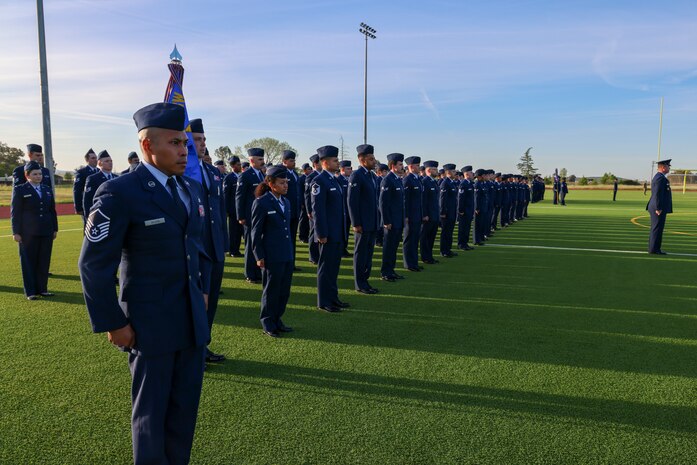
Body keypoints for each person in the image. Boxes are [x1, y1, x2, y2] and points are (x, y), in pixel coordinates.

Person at [78, 102, 209, 465]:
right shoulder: (121, 192)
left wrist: (202, 292)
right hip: (148, 324)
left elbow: (193, 248)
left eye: (185, 143)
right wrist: (112, 322)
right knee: (151, 416)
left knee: (183, 414)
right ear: (148, 146)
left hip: (190, 318)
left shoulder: (189, 189)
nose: (185, 150)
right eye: (175, 143)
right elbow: (93, 265)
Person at [190, 118, 228, 364]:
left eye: (204, 140)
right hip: (196, 246)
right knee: (195, 303)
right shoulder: (183, 172)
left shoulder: (213, 172)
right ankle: (192, 353)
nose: (202, 144)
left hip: (214, 247)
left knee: (210, 301)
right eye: (197, 140)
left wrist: (223, 244)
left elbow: (220, 210)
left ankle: (204, 346)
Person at [251, 165, 295, 337]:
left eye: (286, 182)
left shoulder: (286, 202)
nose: (286, 186)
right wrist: (259, 255)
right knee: (271, 290)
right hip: (271, 254)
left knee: (284, 290)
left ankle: (278, 319)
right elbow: (255, 231)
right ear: (270, 183)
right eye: (282, 183)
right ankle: (268, 322)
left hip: (286, 253)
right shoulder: (261, 202)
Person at [11, 161, 58, 300]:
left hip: (46, 231)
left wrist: (55, 228)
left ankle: (42, 289)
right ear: (27, 175)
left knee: (44, 261)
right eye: (35, 174)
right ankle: (31, 292)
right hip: (27, 233)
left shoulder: (47, 189)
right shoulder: (20, 190)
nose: (38, 176)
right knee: (28, 262)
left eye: (40, 174)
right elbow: (15, 213)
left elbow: (52, 211)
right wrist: (16, 232)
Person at [310, 145, 349, 312]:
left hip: (337, 232)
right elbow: (317, 210)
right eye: (335, 160)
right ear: (324, 162)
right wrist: (321, 233)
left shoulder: (334, 179)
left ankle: (333, 298)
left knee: (334, 268)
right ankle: (324, 301)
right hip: (327, 234)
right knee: (325, 268)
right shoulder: (319, 181)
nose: (337, 162)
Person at [347, 144, 379, 294]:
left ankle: (365, 281)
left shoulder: (371, 175)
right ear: (362, 160)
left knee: (368, 254)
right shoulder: (356, 175)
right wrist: (356, 223)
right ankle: (360, 284)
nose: (374, 161)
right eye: (371, 159)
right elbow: (352, 201)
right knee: (360, 254)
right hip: (362, 223)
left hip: (372, 222)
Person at [236, 148, 265, 283]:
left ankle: (258, 271)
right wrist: (240, 216)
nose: (262, 161)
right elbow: (239, 197)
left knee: (259, 243)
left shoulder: (262, 175)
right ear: (251, 160)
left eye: (262, 159)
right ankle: (250, 274)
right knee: (250, 244)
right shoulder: (245, 175)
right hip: (249, 216)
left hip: (261, 215)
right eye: (259, 159)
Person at [379, 153, 406, 280]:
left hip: (398, 220)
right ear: (393, 166)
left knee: (394, 247)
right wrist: (386, 220)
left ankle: (391, 270)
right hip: (390, 221)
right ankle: (386, 272)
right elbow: (383, 203)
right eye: (400, 164)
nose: (402, 166)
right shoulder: (387, 180)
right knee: (388, 248)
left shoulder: (397, 179)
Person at [402, 156, 424, 272]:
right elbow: (405, 200)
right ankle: (408, 263)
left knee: (415, 240)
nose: (419, 167)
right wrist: (405, 216)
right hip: (410, 216)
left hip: (417, 215)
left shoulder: (417, 179)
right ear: (410, 166)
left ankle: (414, 262)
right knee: (409, 240)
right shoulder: (407, 180)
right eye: (417, 165)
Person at [281, 150, 302, 270]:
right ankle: (285, 263)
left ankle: (291, 263)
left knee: (292, 239)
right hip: (285, 211)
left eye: (294, 160)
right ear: (284, 161)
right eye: (291, 160)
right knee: (285, 239)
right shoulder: (282, 173)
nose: (293, 162)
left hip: (294, 211)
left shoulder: (294, 173)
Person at [647, 159, 673, 255]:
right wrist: (658, 208)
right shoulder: (660, 178)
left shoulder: (661, 177)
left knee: (658, 228)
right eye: (668, 166)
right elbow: (657, 194)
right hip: (657, 208)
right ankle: (654, 249)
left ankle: (655, 248)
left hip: (658, 207)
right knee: (657, 228)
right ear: (663, 167)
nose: (669, 168)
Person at [83, 150, 117, 215]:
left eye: (111, 161)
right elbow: (87, 201)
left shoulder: (117, 178)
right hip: (100, 214)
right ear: (99, 163)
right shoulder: (93, 179)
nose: (110, 163)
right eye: (107, 161)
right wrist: (89, 218)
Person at [419, 160, 440, 264]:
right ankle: (425, 257)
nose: (436, 171)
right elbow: (423, 200)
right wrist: (424, 214)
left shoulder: (433, 181)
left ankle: (429, 256)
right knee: (425, 237)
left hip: (434, 214)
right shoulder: (425, 181)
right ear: (428, 170)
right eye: (434, 169)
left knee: (431, 237)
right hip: (428, 215)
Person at [304, 154, 322, 264]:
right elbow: (306, 195)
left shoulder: (322, 176)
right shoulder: (310, 177)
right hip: (313, 210)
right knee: (313, 233)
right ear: (315, 164)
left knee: (320, 232)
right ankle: (313, 256)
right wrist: (309, 210)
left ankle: (319, 254)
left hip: (320, 209)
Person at [223, 156, 243, 257]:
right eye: (238, 164)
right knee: (233, 231)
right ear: (233, 166)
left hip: (239, 209)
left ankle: (237, 250)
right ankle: (232, 251)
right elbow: (226, 195)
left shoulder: (240, 176)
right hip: (232, 209)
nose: (240, 166)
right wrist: (226, 210)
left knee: (239, 231)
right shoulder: (229, 177)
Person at [73, 148, 99, 219]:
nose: (95, 160)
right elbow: (77, 191)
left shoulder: (100, 172)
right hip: (88, 206)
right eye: (93, 158)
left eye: (96, 158)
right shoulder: (81, 172)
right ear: (87, 160)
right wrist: (78, 208)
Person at [439, 164, 458, 257]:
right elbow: (442, 199)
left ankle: (448, 249)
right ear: (448, 172)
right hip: (446, 213)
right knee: (445, 232)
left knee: (450, 232)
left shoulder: (452, 182)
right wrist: (442, 212)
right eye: (454, 171)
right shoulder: (445, 183)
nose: (455, 173)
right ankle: (444, 250)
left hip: (452, 211)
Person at [457, 165, 475, 250]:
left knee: (467, 228)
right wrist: (461, 210)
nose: (473, 174)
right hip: (464, 210)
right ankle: (461, 244)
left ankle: (465, 243)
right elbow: (460, 198)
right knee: (462, 228)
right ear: (467, 174)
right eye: (471, 173)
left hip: (469, 209)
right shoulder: (463, 184)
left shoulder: (470, 184)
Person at [337, 160, 352, 257]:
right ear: (342, 169)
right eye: (348, 168)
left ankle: (344, 248)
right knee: (342, 231)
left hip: (348, 210)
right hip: (342, 210)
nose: (350, 170)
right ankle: (341, 250)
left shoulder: (348, 179)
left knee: (346, 231)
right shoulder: (339, 180)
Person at [297, 162, 312, 243]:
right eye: (308, 169)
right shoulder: (302, 178)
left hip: (309, 203)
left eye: (310, 169)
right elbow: (300, 192)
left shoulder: (311, 177)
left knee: (308, 221)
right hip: (303, 203)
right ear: (304, 170)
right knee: (303, 220)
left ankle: (307, 235)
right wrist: (302, 203)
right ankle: (302, 236)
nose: (310, 170)